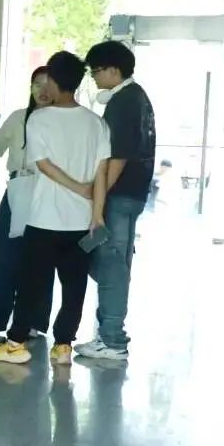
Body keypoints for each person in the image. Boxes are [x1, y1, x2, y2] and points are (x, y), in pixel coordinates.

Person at [0, 51, 110, 366]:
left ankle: (15, 344)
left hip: (44, 219)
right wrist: (96, 212)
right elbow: (102, 172)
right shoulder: (96, 123)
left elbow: (44, 165)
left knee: (32, 284)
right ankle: (63, 345)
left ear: (54, 81)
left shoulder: (39, 119)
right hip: (81, 220)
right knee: (74, 285)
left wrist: (77, 188)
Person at [76, 41, 156, 361]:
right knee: (115, 262)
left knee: (111, 265)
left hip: (119, 194)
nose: (94, 77)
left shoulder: (122, 103)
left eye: (96, 71)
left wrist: (99, 196)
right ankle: (109, 334)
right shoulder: (137, 97)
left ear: (113, 70)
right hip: (133, 194)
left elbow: (117, 157)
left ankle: (112, 339)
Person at [0, 67, 54, 338]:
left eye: (48, 85)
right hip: (17, 187)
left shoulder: (61, 121)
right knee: (3, 255)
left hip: (47, 190)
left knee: (40, 258)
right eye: (37, 84)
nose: (43, 91)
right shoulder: (18, 117)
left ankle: (32, 321)